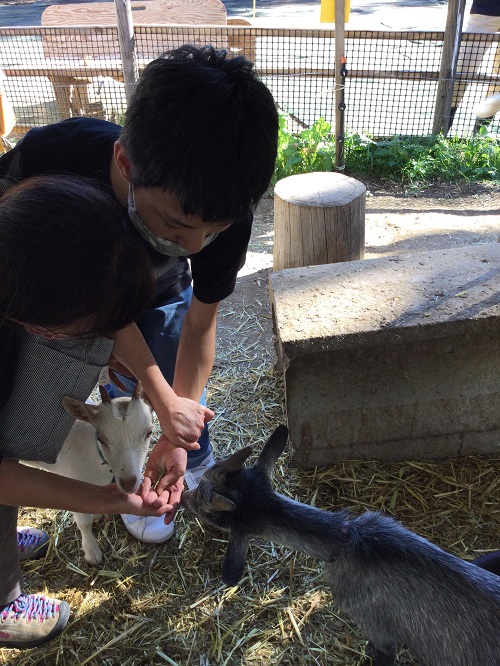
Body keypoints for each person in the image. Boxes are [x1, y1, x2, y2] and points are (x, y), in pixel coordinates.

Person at [0, 45, 279, 544]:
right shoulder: (49, 168)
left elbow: (197, 320)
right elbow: (91, 310)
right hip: (48, 283)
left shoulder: (217, 204)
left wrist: (173, 421)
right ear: (125, 164)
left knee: (161, 343)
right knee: (18, 421)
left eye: (211, 232)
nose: (193, 246)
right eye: (175, 225)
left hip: (85, 288)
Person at [0, 175, 184, 649]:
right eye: (86, 329)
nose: (97, 340)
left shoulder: (27, 241)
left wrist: (159, 397)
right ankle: (1, 602)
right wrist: (109, 501)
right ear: (42, 317)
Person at [451, 0, 500, 132]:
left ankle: (478, 136)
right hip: (484, 10)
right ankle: (440, 133)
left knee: (498, 82)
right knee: (460, 71)